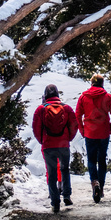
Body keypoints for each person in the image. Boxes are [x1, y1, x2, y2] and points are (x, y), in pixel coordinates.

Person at [32, 84, 78, 213]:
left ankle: (55, 203)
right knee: (64, 170)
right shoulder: (67, 108)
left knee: (52, 174)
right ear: (57, 94)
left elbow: (36, 128)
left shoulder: (40, 109)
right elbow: (74, 125)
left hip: (48, 145)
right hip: (63, 145)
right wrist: (68, 139)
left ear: (45, 95)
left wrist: (42, 141)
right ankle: (67, 196)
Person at [76, 73, 111, 203]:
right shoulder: (108, 97)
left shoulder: (83, 97)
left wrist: (82, 130)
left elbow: (77, 114)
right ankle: (101, 188)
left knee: (91, 160)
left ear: (91, 83)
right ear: (102, 83)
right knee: (101, 160)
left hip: (89, 133)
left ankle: (94, 182)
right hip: (103, 132)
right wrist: (110, 128)